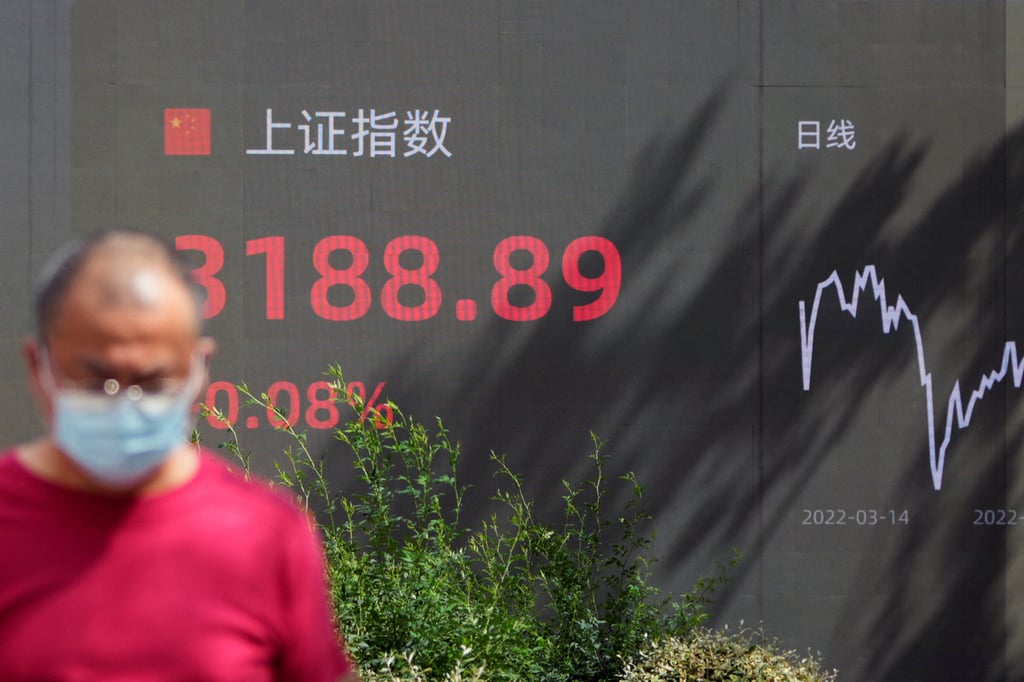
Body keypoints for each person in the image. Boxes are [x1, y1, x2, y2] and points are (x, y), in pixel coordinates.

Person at [0, 230, 361, 681]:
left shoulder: (270, 536)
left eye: (151, 382)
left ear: (198, 369)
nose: (125, 402)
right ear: (39, 366)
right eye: (96, 381)